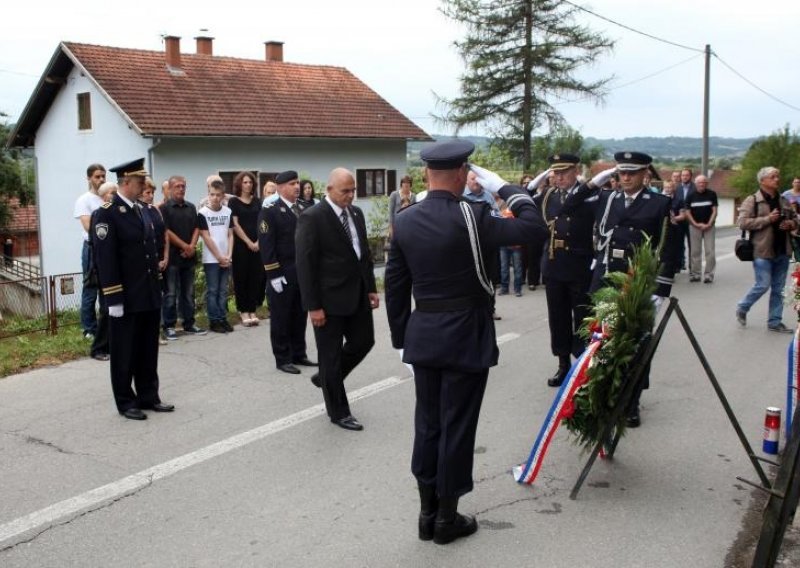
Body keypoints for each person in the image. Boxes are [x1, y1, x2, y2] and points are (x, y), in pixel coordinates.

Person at [384, 140, 548, 545]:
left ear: (426, 174)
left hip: (423, 336)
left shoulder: (404, 220)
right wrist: (506, 188)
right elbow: (533, 227)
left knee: (428, 424)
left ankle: (425, 515)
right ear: (462, 175)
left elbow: (394, 286)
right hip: (466, 335)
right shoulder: (475, 216)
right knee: (457, 426)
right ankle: (446, 520)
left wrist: (401, 340)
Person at [572, 151, 679, 427]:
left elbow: (668, 246)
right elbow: (569, 206)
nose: (626, 177)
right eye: (621, 172)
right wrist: (594, 183)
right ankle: (600, 393)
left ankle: (632, 401)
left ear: (646, 174)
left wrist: (660, 288)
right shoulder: (607, 199)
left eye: (633, 172)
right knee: (601, 337)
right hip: (607, 277)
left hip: (637, 282)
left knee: (635, 342)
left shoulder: (659, 203)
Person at [295, 167, 378, 432]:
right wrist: (313, 306)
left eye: (353, 190)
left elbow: (362, 252)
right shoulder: (313, 217)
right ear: (329, 190)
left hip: (357, 293)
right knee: (329, 356)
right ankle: (339, 412)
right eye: (345, 191)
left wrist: (371, 288)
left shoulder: (355, 213)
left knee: (365, 341)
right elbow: (305, 264)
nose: (351, 195)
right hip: (328, 301)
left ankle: (327, 378)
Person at [92, 158, 174, 420]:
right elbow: (105, 259)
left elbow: (150, 251)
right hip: (125, 296)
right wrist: (113, 297)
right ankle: (126, 401)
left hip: (148, 292)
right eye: (139, 182)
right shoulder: (106, 213)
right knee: (124, 351)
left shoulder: (142, 209)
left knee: (148, 349)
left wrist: (157, 287)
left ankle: (149, 396)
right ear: (126, 182)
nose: (143, 186)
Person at [532, 153, 596, 388]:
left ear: (575, 170)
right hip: (554, 264)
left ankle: (583, 363)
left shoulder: (590, 195)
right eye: (555, 173)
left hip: (579, 264)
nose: (558, 178)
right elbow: (528, 204)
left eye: (563, 172)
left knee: (581, 316)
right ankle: (562, 364)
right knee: (557, 318)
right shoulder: (548, 195)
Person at [258, 170, 316, 373]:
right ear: (281, 187)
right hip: (282, 273)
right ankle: (282, 358)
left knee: (299, 315)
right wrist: (273, 274)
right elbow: (267, 246)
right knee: (281, 317)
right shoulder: (270, 210)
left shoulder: (302, 208)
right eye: (292, 183)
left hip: (301, 273)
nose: (297, 187)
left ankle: (299, 353)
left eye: (298, 183)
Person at [736, 167, 798, 334]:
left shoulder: (783, 200)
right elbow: (742, 222)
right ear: (762, 181)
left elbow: (794, 219)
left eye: (777, 176)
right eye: (773, 177)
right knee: (763, 285)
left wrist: (790, 224)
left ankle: (775, 321)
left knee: (779, 289)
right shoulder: (752, 200)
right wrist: (767, 219)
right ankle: (743, 306)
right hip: (762, 250)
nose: (777, 179)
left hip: (782, 251)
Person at [159, 175, 206, 339]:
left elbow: (196, 228)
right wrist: (184, 246)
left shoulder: (191, 207)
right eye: (177, 186)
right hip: (172, 258)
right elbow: (166, 231)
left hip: (189, 257)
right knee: (170, 293)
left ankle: (189, 323)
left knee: (188, 293)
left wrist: (192, 246)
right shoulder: (164, 208)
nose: (181, 189)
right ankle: (169, 326)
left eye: (183, 186)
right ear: (170, 188)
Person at [86, 181, 118, 362]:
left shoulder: (115, 213)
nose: (114, 195)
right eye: (111, 192)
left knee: (114, 310)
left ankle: (111, 345)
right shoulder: (100, 214)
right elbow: (100, 245)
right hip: (104, 270)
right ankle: (98, 348)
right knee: (106, 310)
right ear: (103, 196)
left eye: (115, 192)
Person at [229, 171, 266, 327]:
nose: (248, 185)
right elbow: (235, 224)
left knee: (255, 278)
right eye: (245, 182)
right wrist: (248, 242)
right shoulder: (234, 202)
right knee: (241, 278)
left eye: (250, 182)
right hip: (241, 246)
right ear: (239, 184)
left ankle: (252, 310)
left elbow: (262, 222)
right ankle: (243, 311)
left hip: (257, 245)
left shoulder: (257, 201)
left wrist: (258, 241)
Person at [74, 163, 106, 339]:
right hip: (92, 248)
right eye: (97, 176)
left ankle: (104, 327)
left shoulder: (108, 198)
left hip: (107, 249)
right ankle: (89, 329)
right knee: (90, 288)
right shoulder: (84, 200)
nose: (101, 179)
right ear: (89, 178)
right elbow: (88, 227)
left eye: (103, 176)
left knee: (106, 289)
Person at [198, 181, 234, 333]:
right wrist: (219, 257)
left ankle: (222, 318)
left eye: (218, 195)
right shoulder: (202, 213)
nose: (214, 198)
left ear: (223, 196)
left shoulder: (227, 212)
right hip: (212, 259)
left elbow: (231, 234)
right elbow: (206, 237)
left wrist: (229, 255)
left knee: (223, 290)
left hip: (226, 258)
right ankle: (214, 321)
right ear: (208, 194)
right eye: (212, 194)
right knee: (213, 290)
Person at [684, 175, 718, 283]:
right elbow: (687, 212)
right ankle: (696, 274)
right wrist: (695, 224)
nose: (702, 184)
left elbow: (714, 211)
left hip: (709, 226)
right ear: (696, 183)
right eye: (699, 182)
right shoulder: (690, 195)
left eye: (704, 182)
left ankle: (709, 274)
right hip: (694, 226)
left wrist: (709, 223)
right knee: (695, 251)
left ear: (707, 183)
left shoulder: (712, 194)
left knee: (710, 251)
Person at [672, 168, 696, 271]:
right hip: (680, 221)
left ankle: (693, 266)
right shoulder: (677, 189)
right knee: (678, 244)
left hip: (692, 220)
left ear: (691, 176)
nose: (684, 177)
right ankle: (679, 265)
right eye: (683, 175)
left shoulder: (695, 188)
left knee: (693, 245)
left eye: (686, 175)